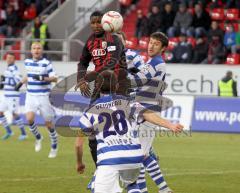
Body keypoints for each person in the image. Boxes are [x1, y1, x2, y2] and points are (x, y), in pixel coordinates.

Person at [78, 70, 183, 193]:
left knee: (97, 187)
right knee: (131, 185)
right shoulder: (129, 102)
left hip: (109, 158)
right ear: (117, 86)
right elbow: (148, 114)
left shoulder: (91, 110)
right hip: (134, 157)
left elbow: (79, 143)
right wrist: (170, 125)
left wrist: (79, 162)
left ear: (96, 87)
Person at [75, 11, 130, 167]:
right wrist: (81, 79)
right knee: (92, 131)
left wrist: (88, 78)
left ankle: (132, 162)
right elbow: (82, 62)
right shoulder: (89, 42)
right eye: (92, 22)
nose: (96, 25)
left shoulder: (114, 39)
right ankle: (99, 169)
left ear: (105, 22)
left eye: (98, 22)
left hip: (119, 85)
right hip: (101, 85)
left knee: (123, 129)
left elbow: (110, 64)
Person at [127, 32, 175, 193]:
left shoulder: (156, 62)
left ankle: (152, 190)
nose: (151, 45)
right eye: (150, 42)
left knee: (138, 156)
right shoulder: (153, 62)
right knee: (143, 155)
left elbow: (136, 80)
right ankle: (163, 189)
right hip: (144, 110)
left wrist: (119, 73)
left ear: (162, 48)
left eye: (156, 44)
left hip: (147, 111)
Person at [15, 42, 58, 158]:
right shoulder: (27, 62)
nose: (36, 50)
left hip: (44, 97)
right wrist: (19, 84)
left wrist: (42, 78)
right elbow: (28, 75)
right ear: (31, 50)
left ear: (42, 50)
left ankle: (54, 145)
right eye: (34, 48)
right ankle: (38, 137)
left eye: (39, 48)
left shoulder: (46, 63)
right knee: (29, 119)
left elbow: (55, 79)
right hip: (31, 96)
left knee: (48, 124)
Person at [0, 53, 27, 140]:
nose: (8, 59)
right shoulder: (7, 69)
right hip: (6, 95)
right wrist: (2, 83)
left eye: (11, 58)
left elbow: (18, 81)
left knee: (14, 114)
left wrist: (5, 80)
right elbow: (5, 83)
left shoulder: (15, 69)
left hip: (13, 96)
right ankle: (9, 131)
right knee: (0, 113)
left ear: (14, 60)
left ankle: (24, 133)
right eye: (7, 58)